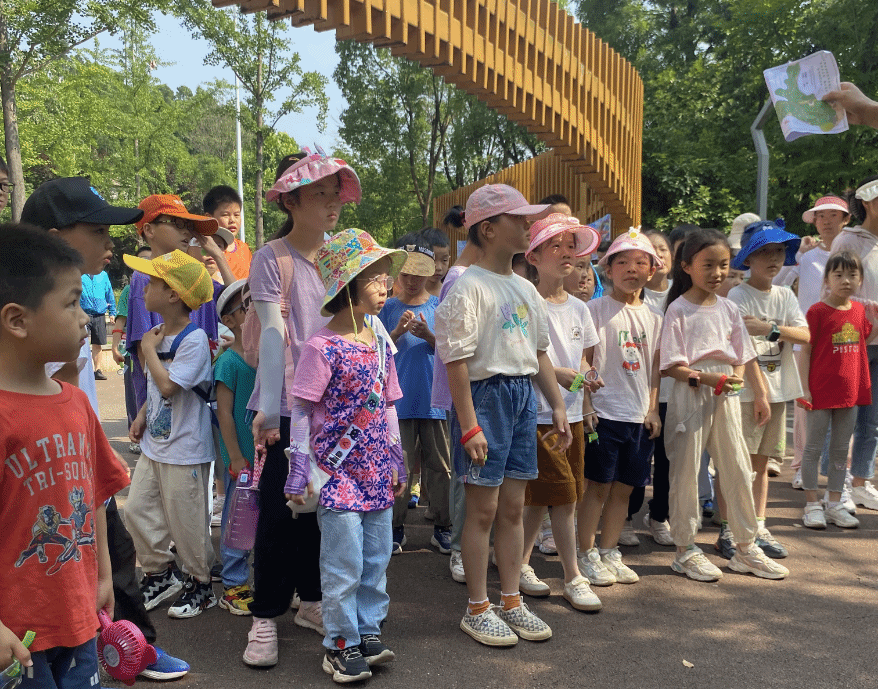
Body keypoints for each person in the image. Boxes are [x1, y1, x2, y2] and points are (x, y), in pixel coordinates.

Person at [20, 178, 190, 680]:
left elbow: (72, 394)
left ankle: (129, 647)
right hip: (40, 475)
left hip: (77, 459)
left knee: (113, 553)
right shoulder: (35, 315)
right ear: (55, 239)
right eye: (97, 230)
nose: (109, 241)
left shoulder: (69, 309)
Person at [435, 183, 570, 647]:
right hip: (485, 399)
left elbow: (539, 354)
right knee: (483, 509)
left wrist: (557, 405)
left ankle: (511, 600)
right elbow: (455, 361)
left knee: (514, 507)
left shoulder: (525, 288)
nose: (530, 225)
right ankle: (477, 607)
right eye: (520, 219)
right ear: (488, 229)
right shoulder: (467, 286)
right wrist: (469, 424)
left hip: (521, 398)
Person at [243, 150, 362, 667]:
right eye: (320, 195)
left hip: (338, 410)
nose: (333, 204)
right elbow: (273, 332)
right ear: (290, 201)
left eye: (336, 194)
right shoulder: (273, 258)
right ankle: (265, 615)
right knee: (278, 512)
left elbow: (363, 322)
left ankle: (312, 600)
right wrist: (271, 411)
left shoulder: (345, 255)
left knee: (325, 512)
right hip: (291, 406)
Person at [0, 225, 131, 689]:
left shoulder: (75, 402)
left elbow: (94, 496)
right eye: (72, 302)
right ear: (17, 320)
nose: (85, 317)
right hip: (15, 637)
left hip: (78, 617)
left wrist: (103, 577)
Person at [285, 229, 407, 684]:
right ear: (349, 284)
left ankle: (368, 632)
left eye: (386, 278)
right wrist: (298, 465)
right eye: (376, 278)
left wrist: (397, 458)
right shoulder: (320, 347)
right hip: (337, 475)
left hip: (376, 472)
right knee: (343, 565)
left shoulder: (380, 343)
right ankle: (339, 644)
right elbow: (301, 409)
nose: (386, 286)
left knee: (376, 560)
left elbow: (388, 404)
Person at [660, 228, 789, 582]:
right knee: (686, 471)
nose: (717, 273)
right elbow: (671, 366)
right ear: (686, 266)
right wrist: (707, 378)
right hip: (692, 392)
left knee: (737, 467)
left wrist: (746, 386)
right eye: (708, 265)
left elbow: (742, 356)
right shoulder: (678, 309)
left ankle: (746, 547)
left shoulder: (729, 307)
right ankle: (685, 549)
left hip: (726, 393)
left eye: (723, 265)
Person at [124, 249, 218, 618]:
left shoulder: (194, 340)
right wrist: (142, 416)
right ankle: (159, 574)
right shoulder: (157, 335)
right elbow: (155, 391)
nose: (145, 289)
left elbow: (168, 386)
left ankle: (200, 584)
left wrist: (147, 349)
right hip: (156, 445)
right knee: (137, 510)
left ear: (174, 295)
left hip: (186, 449)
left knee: (187, 522)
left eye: (153, 283)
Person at [519, 213, 603, 611]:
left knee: (543, 497)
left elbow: (584, 359)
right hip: (539, 415)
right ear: (534, 257)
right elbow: (524, 358)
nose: (567, 253)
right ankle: (573, 576)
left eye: (571, 246)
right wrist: (560, 374)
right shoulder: (526, 302)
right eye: (556, 246)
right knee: (565, 498)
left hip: (570, 415)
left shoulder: (580, 309)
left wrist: (588, 377)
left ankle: (519, 563)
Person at [577, 228, 663, 590]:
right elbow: (583, 359)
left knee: (626, 488)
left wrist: (653, 410)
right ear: (608, 269)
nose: (631, 269)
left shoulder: (655, 318)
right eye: (623, 262)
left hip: (638, 417)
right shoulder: (594, 310)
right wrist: (586, 404)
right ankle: (585, 552)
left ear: (652, 270)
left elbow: (655, 369)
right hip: (604, 413)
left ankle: (609, 550)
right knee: (596, 486)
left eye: (641, 262)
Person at [725, 220, 809, 558]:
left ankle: (758, 525)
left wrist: (770, 329)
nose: (773, 258)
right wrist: (760, 393)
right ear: (748, 258)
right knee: (738, 463)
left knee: (762, 465)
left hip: (778, 391)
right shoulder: (738, 295)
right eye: (764, 252)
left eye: (778, 251)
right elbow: (743, 348)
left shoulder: (785, 294)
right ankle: (731, 528)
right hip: (749, 393)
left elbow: (806, 335)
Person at [126, 195, 232, 415]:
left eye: (188, 226)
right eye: (177, 224)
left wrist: (218, 256)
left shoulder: (195, 278)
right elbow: (144, 347)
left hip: (196, 405)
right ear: (149, 230)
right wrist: (147, 411)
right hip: (160, 407)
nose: (187, 232)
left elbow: (238, 302)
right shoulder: (143, 278)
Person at [379, 241, 452, 555]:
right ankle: (395, 529)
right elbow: (375, 351)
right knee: (399, 468)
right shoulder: (386, 307)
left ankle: (443, 527)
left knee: (442, 467)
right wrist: (396, 332)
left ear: (430, 272)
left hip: (436, 401)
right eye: (406, 274)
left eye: (418, 274)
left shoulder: (440, 306)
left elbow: (452, 354)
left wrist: (429, 336)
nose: (411, 280)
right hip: (397, 404)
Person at [775, 196, 851, 491]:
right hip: (805, 340)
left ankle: (840, 470)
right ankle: (800, 465)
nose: (827, 221)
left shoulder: (854, 256)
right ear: (814, 222)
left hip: (843, 341)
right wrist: (797, 255)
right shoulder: (806, 255)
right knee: (804, 404)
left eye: (834, 215)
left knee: (844, 405)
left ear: (845, 220)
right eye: (821, 216)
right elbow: (778, 282)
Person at [798, 252, 878, 529]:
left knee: (841, 451)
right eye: (839, 275)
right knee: (813, 449)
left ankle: (833, 503)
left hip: (850, 394)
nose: (846, 281)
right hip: (819, 392)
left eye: (852, 275)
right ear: (827, 279)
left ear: (860, 279)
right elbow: (805, 351)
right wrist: (804, 388)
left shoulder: (859, 310)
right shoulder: (816, 311)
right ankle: (811, 505)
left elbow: (862, 340)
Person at [431, 204, 483, 584]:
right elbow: (455, 350)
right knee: (467, 475)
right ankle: (461, 549)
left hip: (486, 388)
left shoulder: (480, 275)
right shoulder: (459, 279)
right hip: (469, 391)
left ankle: (476, 546)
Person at [620, 230, 673, 546]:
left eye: (662, 249)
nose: (659, 255)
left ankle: (659, 516)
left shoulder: (680, 294)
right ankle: (626, 516)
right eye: (652, 250)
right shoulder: (634, 296)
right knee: (637, 459)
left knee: (667, 461)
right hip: (640, 393)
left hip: (673, 392)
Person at [830, 176, 878, 511]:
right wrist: (871, 309)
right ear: (867, 203)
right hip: (852, 341)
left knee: (872, 421)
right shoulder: (849, 240)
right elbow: (832, 290)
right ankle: (836, 488)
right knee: (843, 416)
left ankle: (861, 481)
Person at [213, 279, 257, 615]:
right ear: (229, 321)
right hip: (241, 460)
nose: (254, 310)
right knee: (238, 519)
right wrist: (236, 456)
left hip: (268, 455)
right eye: (246, 307)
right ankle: (233, 583)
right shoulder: (228, 362)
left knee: (267, 519)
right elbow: (224, 414)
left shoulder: (271, 355)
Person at [114, 246, 152, 454]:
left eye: (149, 259)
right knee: (135, 393)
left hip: (152, 351)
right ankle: (136, 434)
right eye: (141, 260)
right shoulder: (130, 290)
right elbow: (121, 319)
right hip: (133, 352)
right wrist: (114, 346)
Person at [203, 184, 252, 280]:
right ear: (209, 218)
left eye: (236, 215)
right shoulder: (203, 247)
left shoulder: (244, 249)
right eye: (225, 215)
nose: (232, 220)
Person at [80, 269, 116, 380]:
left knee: (98, 343)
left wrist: (112, 312)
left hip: (99, 314)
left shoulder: (103, 275)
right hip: (83, 314)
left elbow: (109, 293)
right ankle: (83, 371)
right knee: (81, 343)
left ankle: (97, 370)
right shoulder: (80, 274)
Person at [419, 226, 451, 298]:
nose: (438, 267)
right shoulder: (408, 293)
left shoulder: (450, 294)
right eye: (432, 260)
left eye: (444, 260)